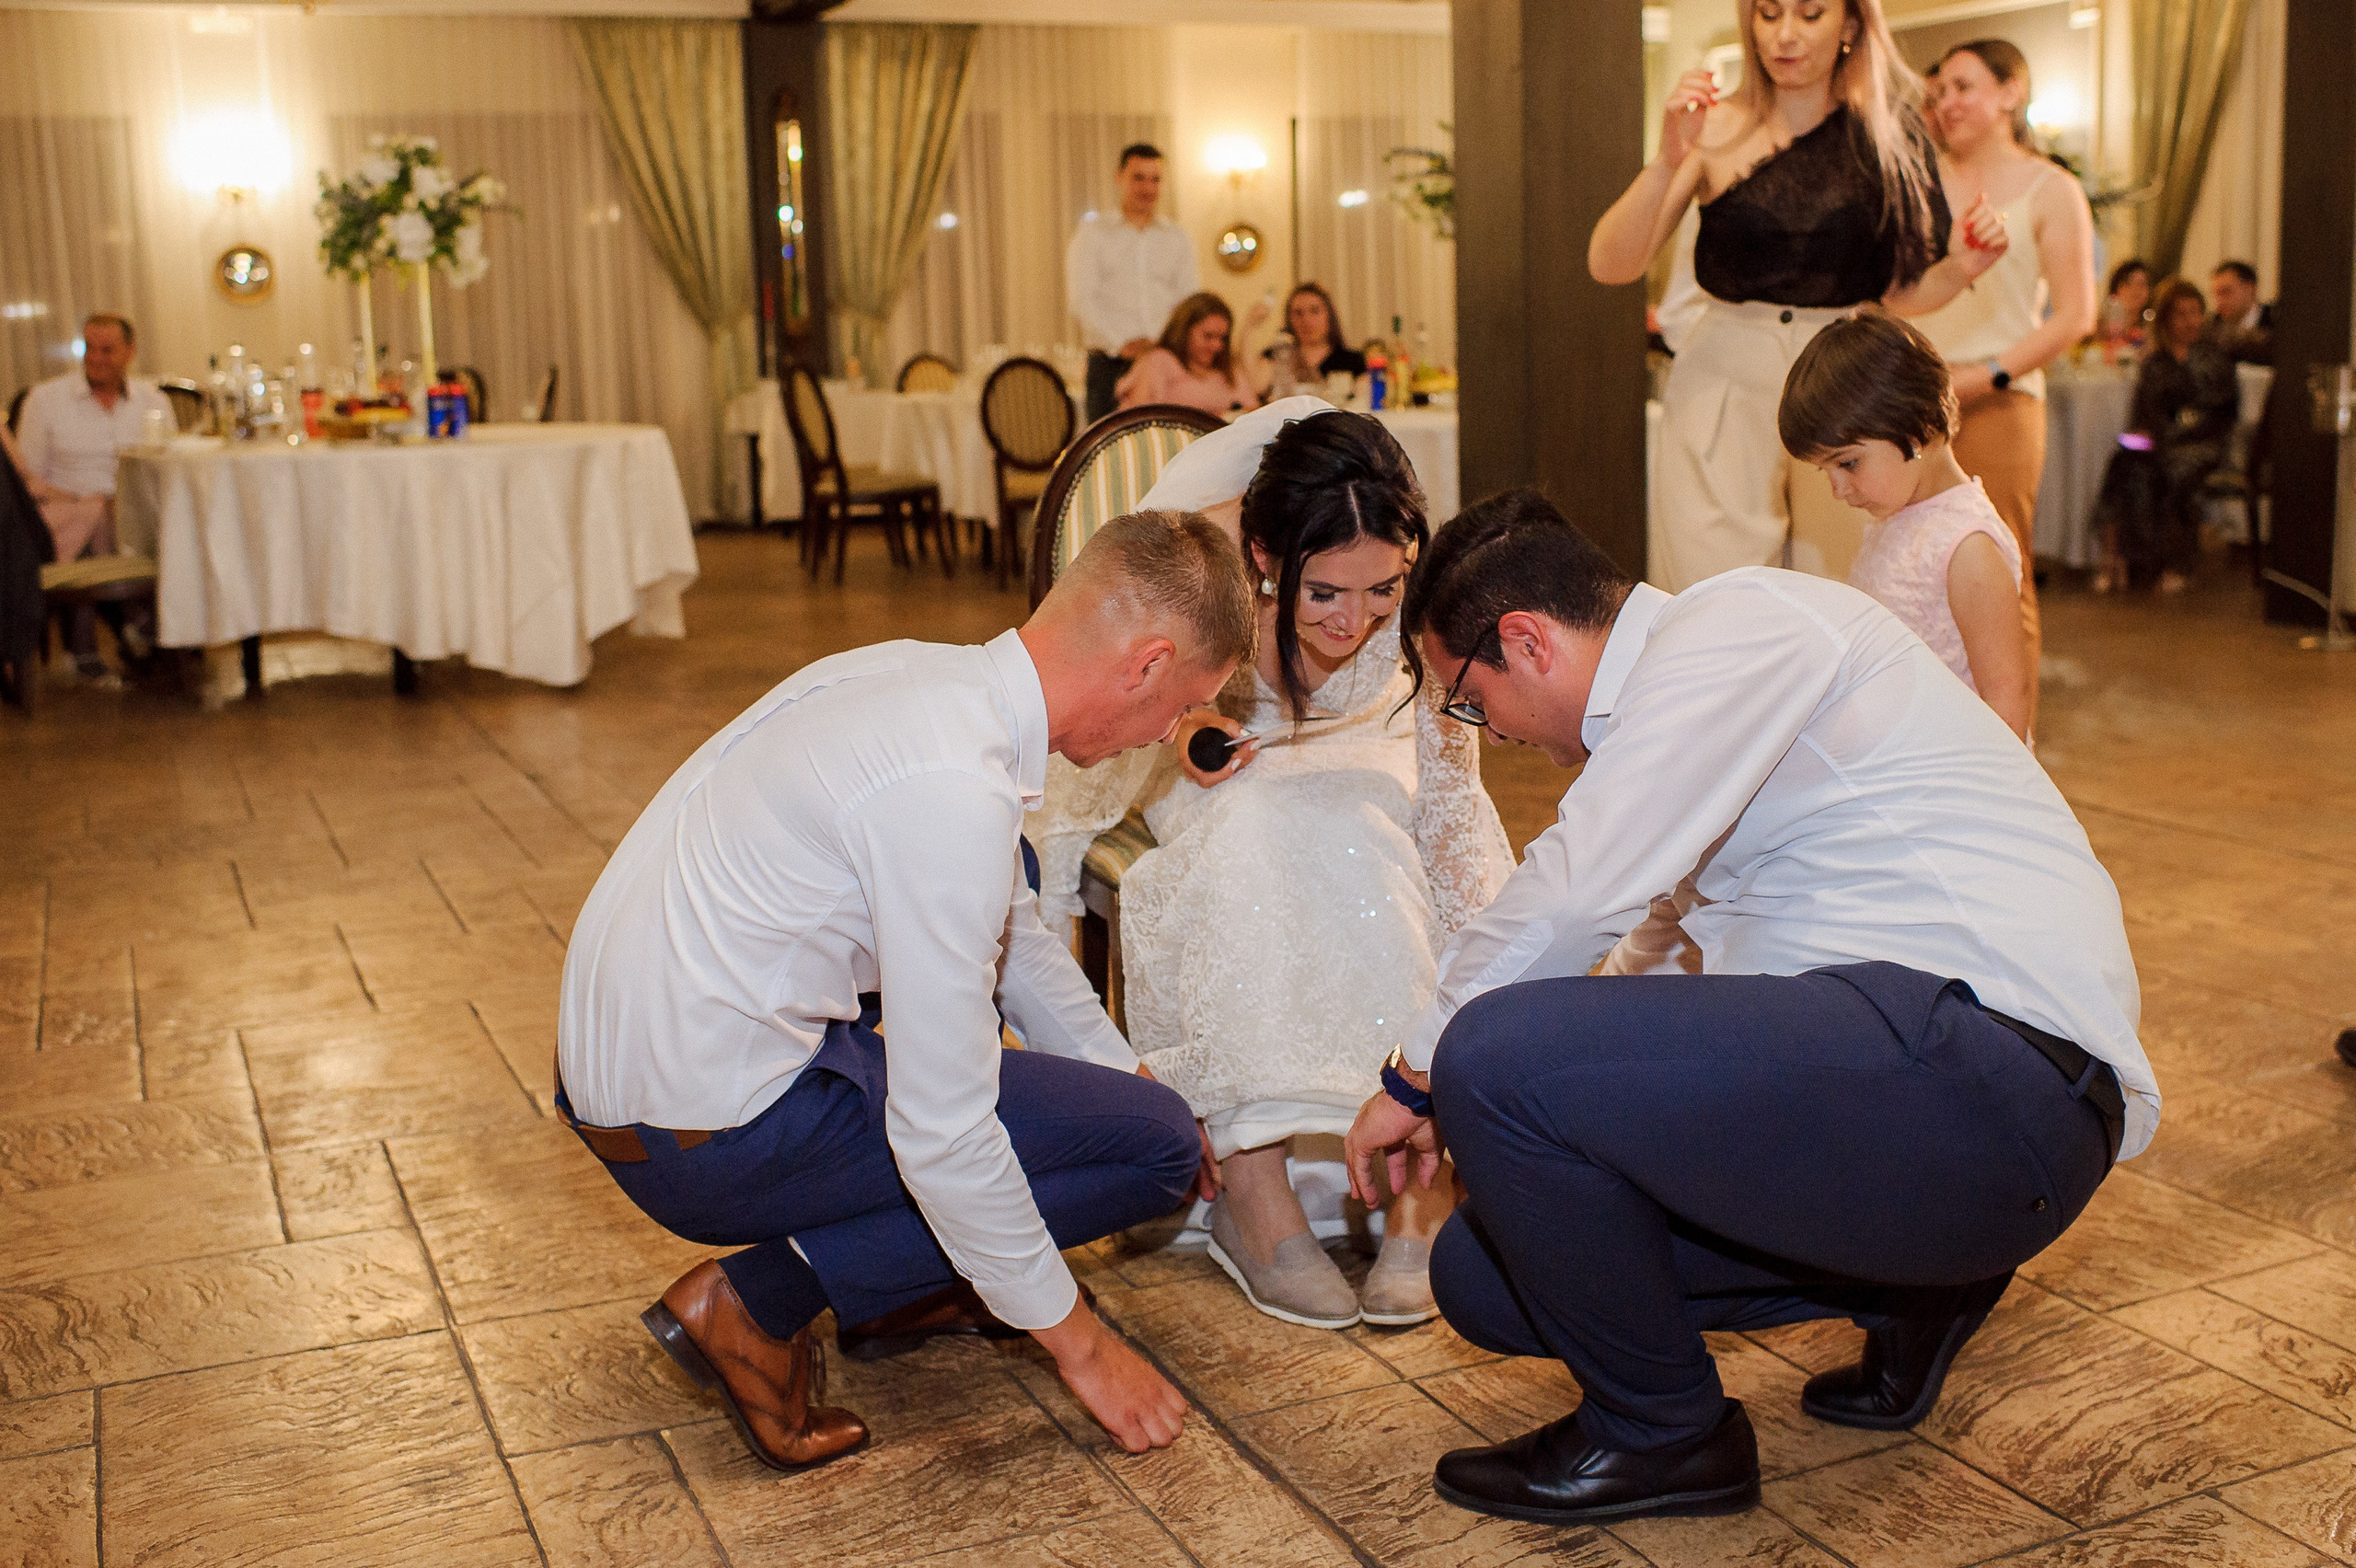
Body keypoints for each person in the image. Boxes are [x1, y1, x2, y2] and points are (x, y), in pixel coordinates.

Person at [1342, 489, 2154, 1526]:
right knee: (1483, 1271)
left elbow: (1579, 892)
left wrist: (1419, 1071)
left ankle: (1664, 1438)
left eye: (1466, 698)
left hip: (1993, 1074)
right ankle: (1915, 1290)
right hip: (1926, 1116)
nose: (1483, 731)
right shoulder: (1695, 712)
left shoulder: (1737, 627)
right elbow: (1646, 958)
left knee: (1489, 1049)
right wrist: (1519, 1113)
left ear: (1525, 642)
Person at [556, 510, 1257, 1472]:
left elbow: (1005, 933)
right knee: (1154, 1152)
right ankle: (756, 1303)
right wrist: (1086, 1351)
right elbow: (945, 1129)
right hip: (702, 1137)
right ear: (1145, 663)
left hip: (636, 1077)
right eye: (1181, 704)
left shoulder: (924, 681)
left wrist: (1121, 1070)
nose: (1168, 733)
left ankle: (908, 1280)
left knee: (1115, 1099)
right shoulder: (950, 793)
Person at [1036, 398, 1513, 1331]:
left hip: (1377, 774)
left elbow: (1452, 794)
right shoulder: (1217, 597)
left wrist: (1481, 973)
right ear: (1264, 561)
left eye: (1383, 588)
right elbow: (1145, 715)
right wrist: (1187, 727)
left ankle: (1423, 1176)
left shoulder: (1413, 627)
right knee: (1252, 830)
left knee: (1389, 845)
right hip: (1236, 784)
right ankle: (1253, 1185)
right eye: (1325, 592)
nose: (1357, 619)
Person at [1588, 0, 2010, 593]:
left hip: (1844, 378)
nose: (1785, 35)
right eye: (1769, 13)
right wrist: (1668, 159)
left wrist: (1966, 266)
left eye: (1810, 14)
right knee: (1717, 594)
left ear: (1852, 24)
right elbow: (1611, 264)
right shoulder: (1714, 127)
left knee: (1842, 592)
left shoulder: (1889, 133)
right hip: (1724, 379)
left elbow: (1900, 292)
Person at [1912, 40, 2096, 735]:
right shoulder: (1922, 181)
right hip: (1914, 404)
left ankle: (2009, 752)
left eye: (1962, 86)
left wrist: (1985, 378)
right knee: (1916, 574)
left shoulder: (2051, 189)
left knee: (1998, 572)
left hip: (2000, 399)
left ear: (2011, 92)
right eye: (1937, 92)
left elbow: (2077, 315)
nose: (1946, 103)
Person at [1782, 312, 2031, 740]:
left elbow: (2007, 698)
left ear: (1916, 429)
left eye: (1847, 463)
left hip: (1951, 770)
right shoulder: (1899, 514)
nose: (1837, 489)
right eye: (1826, 471)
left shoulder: (1967, 547)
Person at [14, 312, 170, 685]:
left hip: (136, 513)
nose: (96, 358)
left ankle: (126, 638)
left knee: (140, 521)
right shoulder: (46, 399)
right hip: (68, 511)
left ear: (130, 352)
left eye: (107, 350)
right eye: (89, 349)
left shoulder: (153, 401)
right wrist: (81, 500)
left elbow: (168, 465)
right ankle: (132, 628)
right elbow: (25, 478)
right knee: (95, 513)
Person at [2092, 276, 2237, 594]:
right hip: (2159, 439)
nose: (2190, 321)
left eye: (2195, 312)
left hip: (2203, 444)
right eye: (2181, 314)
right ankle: (2116, 559)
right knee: (2123, 460)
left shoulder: (2214, 358)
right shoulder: (2154, 363)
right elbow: (2144, 414)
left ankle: (2175, 563)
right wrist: (2147, 436)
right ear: (2167, 319)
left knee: (2173, 468)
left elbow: (2221, 413)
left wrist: (2176, 432)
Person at [1068, 144, 1199, 424]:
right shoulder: (1093, 235)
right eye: (1138, 177)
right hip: (1110, 366)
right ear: (1119, 178)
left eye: (1155, 179)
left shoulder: (1177, 237)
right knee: (1106, 454)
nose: (1147, 188)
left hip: (1166, 364)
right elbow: (1082, 300)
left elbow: (1189, 302)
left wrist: (1164, 343)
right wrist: (1123, 344)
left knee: (1168, 450)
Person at [1116, 292, 1258, 417]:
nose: (1216, 346)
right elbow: (1137, 419)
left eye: (1222, 338)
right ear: (1184, 332)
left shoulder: (1228, 369)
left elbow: (1253, 411)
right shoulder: (1159, 361)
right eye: (1208, 336)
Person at [1254, 282, 1368, 399]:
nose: (1306, 320)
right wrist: (1249, 327)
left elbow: (1363, 401)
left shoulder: (1353, 361)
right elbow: (1257, 387)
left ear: (1329, 315)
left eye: (1314, 311)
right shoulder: (1279, 356)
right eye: (1298, 313)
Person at [2207, 260, 2273, 363]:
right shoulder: (2213, 327)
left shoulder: (2276, 321)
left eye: (2226, 292)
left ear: (2250, 289)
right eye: (2216, 294)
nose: (2219, 302)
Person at [2098, 259, 2152, 346]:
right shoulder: (2104, 326)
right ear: (2117, 287)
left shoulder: (2149, 328)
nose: (2135, 290)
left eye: (2141, 284)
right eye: (2128, 283)